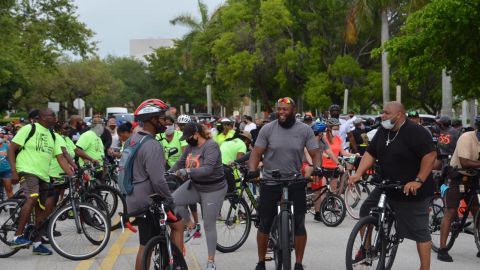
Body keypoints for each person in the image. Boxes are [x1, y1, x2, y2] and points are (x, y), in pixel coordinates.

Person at [349, 101, 436, 270]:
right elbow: (370, 153)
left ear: (399, 115)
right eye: (383, 112)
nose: (383, 116)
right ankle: (366, 249)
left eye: (387, 113)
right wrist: (358, 173)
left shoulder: (416, 132)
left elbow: (430, 156)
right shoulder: (383, 131)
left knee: (420, 232)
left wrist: (417, 181)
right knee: (366, 210)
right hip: (387, 185)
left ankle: (424, 267)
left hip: (412, 189)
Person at [248, 97, 321, 270]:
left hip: (295, 180)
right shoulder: (267, 129)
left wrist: (317, 168)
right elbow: (256, 153)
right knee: (265, 221)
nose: (281, 112)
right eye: (279, 109)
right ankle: (260, 261)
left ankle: (298, 263)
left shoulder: (305, 130)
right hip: (270, 180)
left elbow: (315, 152)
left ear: (293, 110)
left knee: (299, 223)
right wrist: (252, 170)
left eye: (285, 109)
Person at [126, 99, 184, 270]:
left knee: (146, 242)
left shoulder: (133, 139)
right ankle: (177, 265)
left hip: (133, 196)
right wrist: (169, 199)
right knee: (178, 225)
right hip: (148, 199)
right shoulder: (152, 145)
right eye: (161, 118)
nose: (165, 122)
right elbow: (158, 180)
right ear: (151, 119)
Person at [7, 109, 74, 255]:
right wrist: (13, 171)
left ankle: (37, 243)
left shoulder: (52, 136)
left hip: (43, 175)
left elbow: (60, 157)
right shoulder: (29, 129)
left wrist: (72, 174)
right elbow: (11, 149)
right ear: (42, 117)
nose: (55, 117)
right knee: (32, 197)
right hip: (26, 169)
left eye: (55, 115)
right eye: (51, 115)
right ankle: (17, 236)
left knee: (42, 209)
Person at [170, 122, 227, 270]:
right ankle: (191, 226)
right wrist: (167, 173)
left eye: (188, 137)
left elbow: (207, 169)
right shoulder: (190, 147)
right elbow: (181, 162)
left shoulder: (211, 146)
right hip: (196, 185)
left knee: (209, 225)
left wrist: (187, 172)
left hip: (213, 188)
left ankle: (210, 261)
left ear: (196, 134)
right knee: (173, 200)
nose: (186, 140)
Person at [437, 116, 480, 262]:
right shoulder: (466, 138)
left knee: (476, 210)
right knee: (451, 211)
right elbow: (465, 161)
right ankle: (442, 249)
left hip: (474, 177)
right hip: (457, 176)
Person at [303, 121, 340, 222]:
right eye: (322, 132)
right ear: (319, 133)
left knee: (318, 189)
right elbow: (307, 154)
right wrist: (313, 165)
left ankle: (318, 213)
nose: (323, 134)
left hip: (316, 166)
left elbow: (330, 153)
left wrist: (338, 164)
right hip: (305, 164)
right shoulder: (309, 140)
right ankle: (304, 188)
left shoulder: (323, 141)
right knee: (308, 170)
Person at [322, 118, 356, 193]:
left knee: (333, 189)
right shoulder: (324, 138)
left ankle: (334, 204)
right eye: (335, 129)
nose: (337, 130)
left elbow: (343, 152)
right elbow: (320, 151)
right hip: (324, 166)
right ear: (329, 128)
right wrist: (327, 156)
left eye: (338, 129)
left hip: (335, 166)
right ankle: (323, 204)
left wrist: (354, 154)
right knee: (324, 190)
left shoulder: (337, 138)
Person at [0, 134, 13, 198]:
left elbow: (11, 158)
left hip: (6, 171)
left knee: (9, 189)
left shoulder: (7, 146)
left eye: (1, 136)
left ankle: (12, 206)